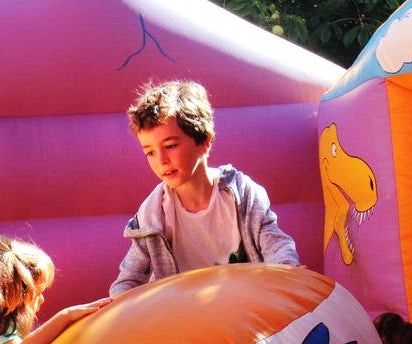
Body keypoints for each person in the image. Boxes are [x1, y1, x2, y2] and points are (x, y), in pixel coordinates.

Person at [109, 80, 299, 296]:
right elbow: (128, 279)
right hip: (184, 317)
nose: (161, 160)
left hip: (243, 307)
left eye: (170, 146)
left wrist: (287, 276)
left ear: (205, 141)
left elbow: (276, 245)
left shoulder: (242, 195)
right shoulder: (152, 215)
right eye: (150, 152)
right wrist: (116, 310)